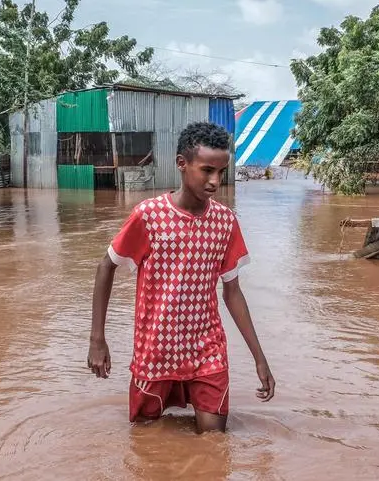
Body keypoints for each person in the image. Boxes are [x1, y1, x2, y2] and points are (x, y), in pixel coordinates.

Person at [87, 121, 276, 433]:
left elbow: (232, 293)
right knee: (147, 437)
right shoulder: (149, 216)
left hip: (207, 348)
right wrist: (97, 339)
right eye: (206, 170)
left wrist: (260, 358)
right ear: (181, 164)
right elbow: (106, 267)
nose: (215, 181)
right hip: (155, 350)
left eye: (221, 172)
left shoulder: (225, 222)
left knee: (214, 441)